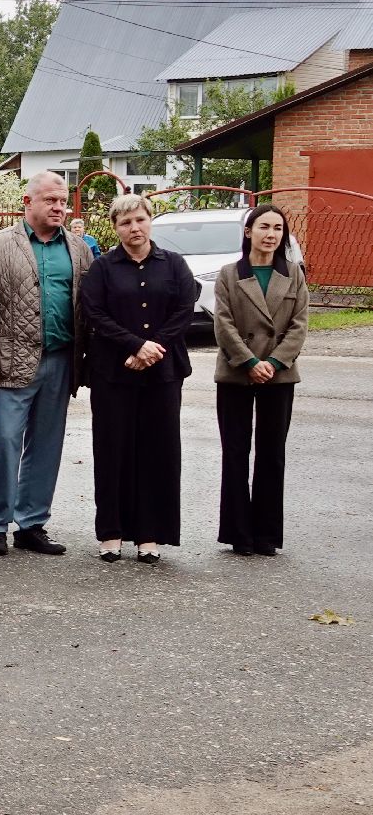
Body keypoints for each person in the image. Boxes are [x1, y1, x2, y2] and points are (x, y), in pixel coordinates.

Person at [0, 171, 94, 557]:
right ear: (28, 203)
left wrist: (86, 361)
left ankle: (32, 524)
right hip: (10, 362)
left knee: (46, 445)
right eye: (51, 200)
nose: (59, 207)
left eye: (63, 201)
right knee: (4, 442)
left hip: (61, 359)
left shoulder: (78, 248)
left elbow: (89, 307)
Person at [80, 194, 198, 565]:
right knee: (113, 450)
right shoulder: (102, 268)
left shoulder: (174, 264)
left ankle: (150, 534)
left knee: (157, 451)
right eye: (125, 223)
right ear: (115, 228)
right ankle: (111, 533)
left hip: (163, 372)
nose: (134, 228)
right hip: (114, 372)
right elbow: (94, 312)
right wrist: (133, 345)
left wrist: (153, 347)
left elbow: (184, 310)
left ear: (151, 221)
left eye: (140, 220)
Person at [212, 204, 308, 558]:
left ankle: (267, 534)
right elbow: (223, 323)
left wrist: (275, 361)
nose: (271, 234)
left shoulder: (294, 273)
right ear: (248, 231)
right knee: (235, 452)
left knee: (272, 454)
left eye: (278, 229)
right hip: (237, 371)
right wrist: (250, 360)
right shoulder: (228, 273)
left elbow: (299, 324)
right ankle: (238, 533)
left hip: (280, 374)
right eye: (264, 227)